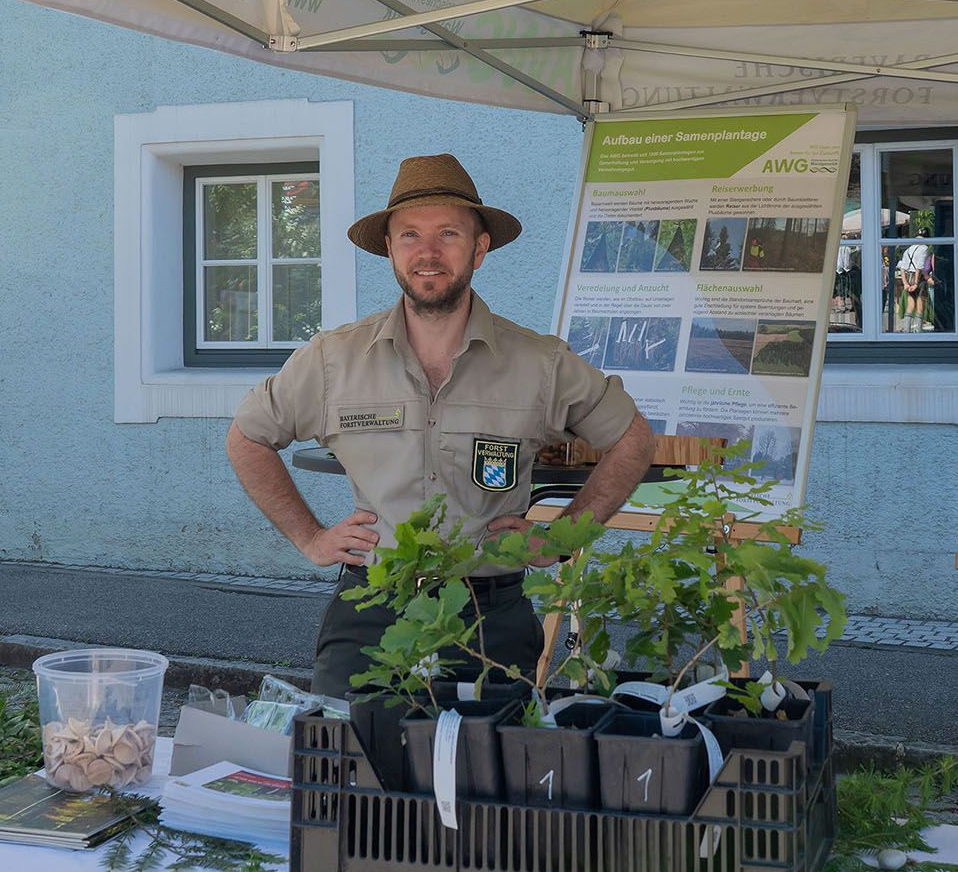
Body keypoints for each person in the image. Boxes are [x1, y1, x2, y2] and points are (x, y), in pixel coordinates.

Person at [227, 153, 656, 697]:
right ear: (389, 248)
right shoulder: (334, 359)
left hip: (490, 617)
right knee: (347, 770)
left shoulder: (539, 364)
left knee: (487, 776)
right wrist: (310, 537)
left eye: (448, 233)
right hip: (372, 612)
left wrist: (560, 538)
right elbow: (247, 437)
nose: (427, 252)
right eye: (409, 235)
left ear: (480, 247)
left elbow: (632, 437)